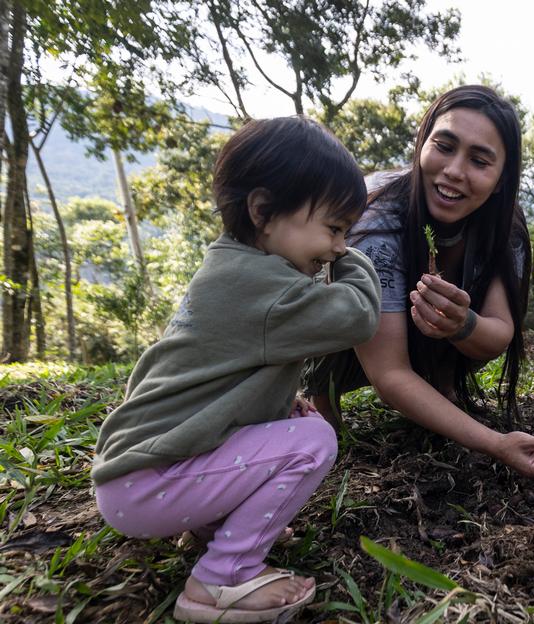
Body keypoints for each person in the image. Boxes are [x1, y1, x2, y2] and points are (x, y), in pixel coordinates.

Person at [92, 117, 382, 623]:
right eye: (334, 228)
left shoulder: (231, 267)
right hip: (146, 485)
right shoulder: (270, 289)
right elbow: (358, 316)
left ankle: (217, 524)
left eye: (345, 234)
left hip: (139, 476)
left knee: (300, 425)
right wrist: (356, 257)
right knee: (315, 442)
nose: (337, 245)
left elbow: (210, 383)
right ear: (264, 211)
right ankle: (221, 579)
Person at [303, 85, 534, 476]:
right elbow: (389, 375)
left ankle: (439, 389)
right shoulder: (375, 222)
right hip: (339, 339)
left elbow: (500, 332)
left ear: (500, 179)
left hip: (423, 337)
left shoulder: (504, 227)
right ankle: (323, 400)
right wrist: (495, 443)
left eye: (480, 161)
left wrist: (463, 324)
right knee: (344, 313)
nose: (454, 171)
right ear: (422, 143)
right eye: (444, 146)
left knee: (463, 334)